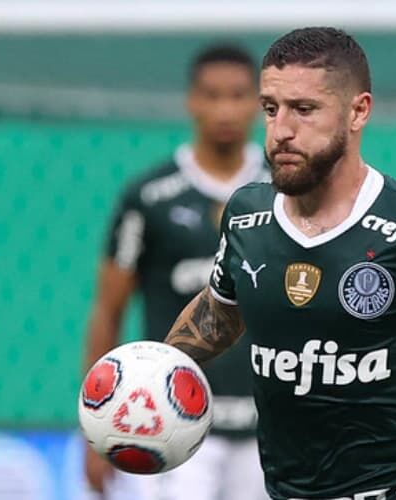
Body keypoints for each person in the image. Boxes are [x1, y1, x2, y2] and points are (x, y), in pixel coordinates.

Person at [162, 27, 396, 499]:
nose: (281, 130)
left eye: (304, 109)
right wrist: (151, 370)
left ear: (358, 111)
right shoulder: (246, 217)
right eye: (270, 109)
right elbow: (220, 314)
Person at [81, 43, 269, 499]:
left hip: (270, 426)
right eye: (211, 95)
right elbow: (109, 309)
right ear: (191, 101)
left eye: (238, 95)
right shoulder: (149, 198)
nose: (224, 108)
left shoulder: (282, 194)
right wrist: (90, 427)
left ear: (258, 103)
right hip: (174, 427)